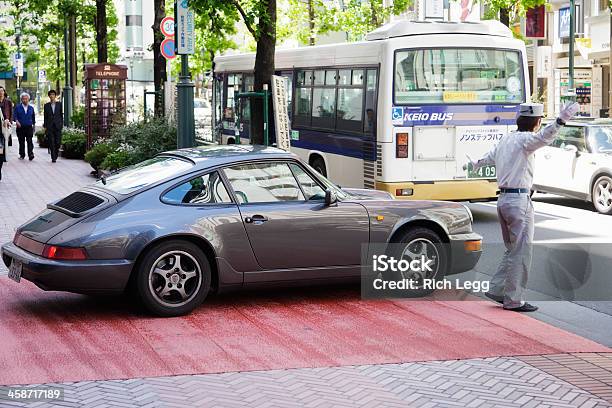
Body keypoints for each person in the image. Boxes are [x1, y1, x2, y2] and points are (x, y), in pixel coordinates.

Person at [465, 101, 580, 312]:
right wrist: (561, 120)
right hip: (519, 202)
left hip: (502, 202)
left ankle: (498, 290)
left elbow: (487, 158)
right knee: (521, 252)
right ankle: (514, 300)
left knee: (512, 249)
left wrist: (476, 163)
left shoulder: (507, 139)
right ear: (536, 122)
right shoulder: (526, 141)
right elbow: (545, 136)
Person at [13, 92, 36, 161]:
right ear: (21, 100)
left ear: (28, 99)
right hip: (20, 127)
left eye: (26, 99)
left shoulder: (31, 108)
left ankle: (30, 154)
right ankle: (22, 154)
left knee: (29, 141)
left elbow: (33, 118)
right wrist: (17, 121)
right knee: (21, 142)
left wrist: (34, 126)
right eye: (23, 99)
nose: (25, 100)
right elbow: (15, 116)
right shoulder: (17, 107)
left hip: (29, 127)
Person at [43, 90, 63, 163]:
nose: (52, 96)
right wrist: (45, 126)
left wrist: (61, 124)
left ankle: (56, 153)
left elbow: (61, 115)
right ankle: (53, 157)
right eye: (50, 94)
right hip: (50, 126)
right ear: (49, 96)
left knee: (58, 142)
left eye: (53, 94)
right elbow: (45, 117)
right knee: (51, 141)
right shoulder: (46, 105)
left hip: (58, 125)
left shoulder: (59, 104)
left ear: (55, 96)